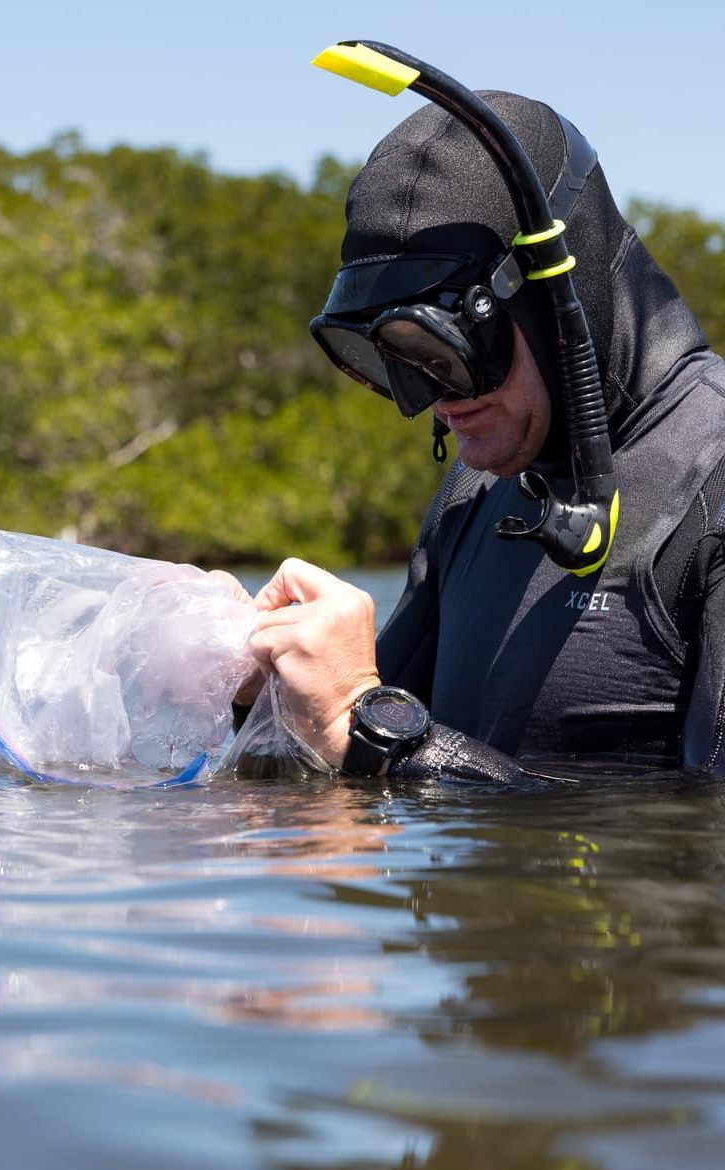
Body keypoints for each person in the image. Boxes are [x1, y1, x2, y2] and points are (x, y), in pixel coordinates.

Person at [233, 82, 725, 782]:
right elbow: (361, 748)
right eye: (396, 363)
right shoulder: (474, 493)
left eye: (450, 354)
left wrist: (372, 728)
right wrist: (263, 695)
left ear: (562, 300)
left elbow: (707, 842)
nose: (431, 403)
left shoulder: (715, 482)